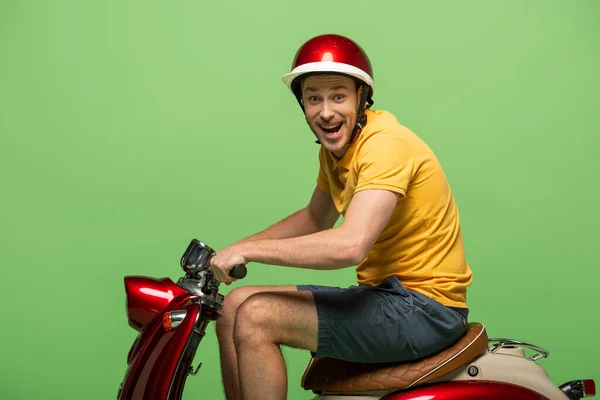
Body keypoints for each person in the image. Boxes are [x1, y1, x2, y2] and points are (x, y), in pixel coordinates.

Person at [209, 33, 473, 400]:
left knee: (257, 315)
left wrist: (250, 253)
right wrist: (234, 247)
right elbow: (315, 218)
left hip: (425, 309)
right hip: (384, 296)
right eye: (314, 98)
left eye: (338, 96)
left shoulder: (384, 145)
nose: (326, 112)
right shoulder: (337, 152)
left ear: (362, 98)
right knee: (233, 306)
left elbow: (350, 246)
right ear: (302, 104)